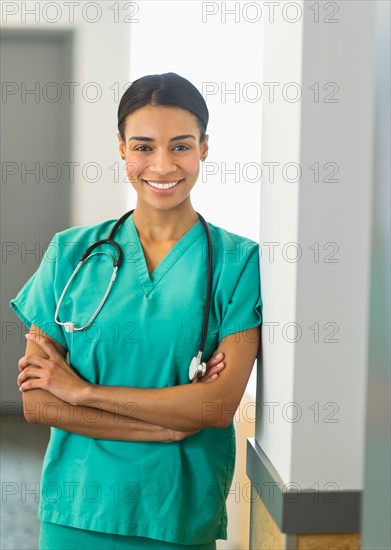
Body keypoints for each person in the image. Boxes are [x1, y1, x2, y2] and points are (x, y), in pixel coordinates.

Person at [11, 72, 263, 550]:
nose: (163, 165)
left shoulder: (238, 262)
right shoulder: (72, 253)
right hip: (77, 510)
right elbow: (38, 402)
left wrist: (81, 392)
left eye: (181, 146)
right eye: (144, 146)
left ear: (205, 148)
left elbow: (215, 405)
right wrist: (164, 424)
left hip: (175, 514)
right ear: (122, 148)